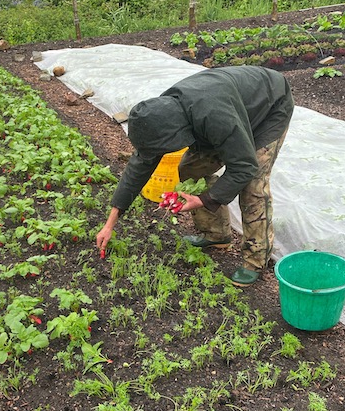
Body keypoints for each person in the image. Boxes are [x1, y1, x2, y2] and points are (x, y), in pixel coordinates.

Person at [95, 65, 294, 286]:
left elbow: (244, 166)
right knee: (191, 170)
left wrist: (204, 199)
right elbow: (139, 166)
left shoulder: (213, 115)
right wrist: (110, 223)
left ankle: (256, 258)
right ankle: (216, 235)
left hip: (269, 107)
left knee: (252, 183)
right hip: (229, 111)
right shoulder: (159, 116)